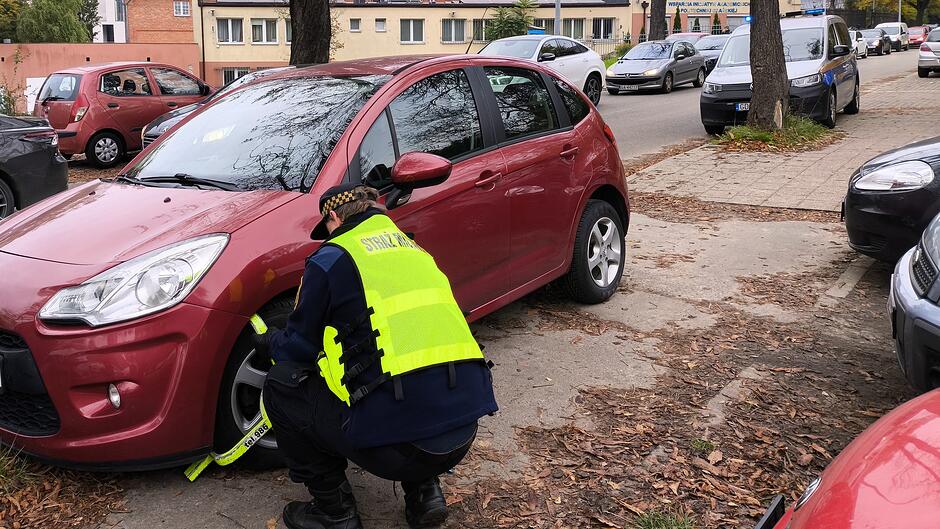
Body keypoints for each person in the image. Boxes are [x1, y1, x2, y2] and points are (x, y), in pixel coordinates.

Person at [257, 183, 498, 529]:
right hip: (462, 434)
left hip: (397, 450)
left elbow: (299, 348)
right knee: (411, 370)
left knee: (282, 385)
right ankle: (425, 493)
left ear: (335, 217)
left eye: (326, 226)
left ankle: (334, 512)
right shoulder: (416, 251)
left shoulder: (333, 257)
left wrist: (270, 343)